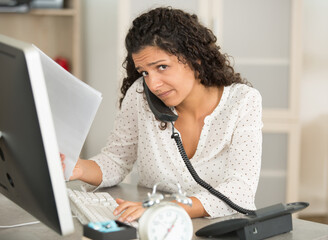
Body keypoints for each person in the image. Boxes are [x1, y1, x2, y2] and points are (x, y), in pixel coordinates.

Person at [61, 7, 262, 223]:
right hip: (153, 228)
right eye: (144, 72)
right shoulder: (140, 96)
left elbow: (240, 190)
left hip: (217, 228)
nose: (153, 84)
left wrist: (165, 208)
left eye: (162, 67)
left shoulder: (243, 101)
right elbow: (116, 160)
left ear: (196, 58)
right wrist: (78, 167)